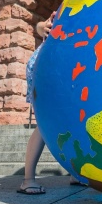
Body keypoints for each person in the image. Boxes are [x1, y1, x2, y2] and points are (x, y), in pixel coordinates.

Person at [18, 12, 86, 194]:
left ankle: (74, 173)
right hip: (45, 69)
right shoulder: (67, 9)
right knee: (44, 123)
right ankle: (27, 180)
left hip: (61, 69)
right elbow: (42, 25)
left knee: (71, 120)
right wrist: (41, 28)